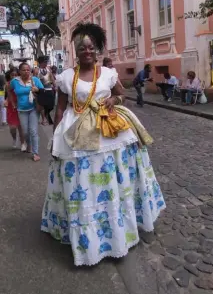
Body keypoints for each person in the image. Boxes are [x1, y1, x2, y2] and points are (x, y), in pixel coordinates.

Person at [41, 22, 165, 267]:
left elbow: (122, 95)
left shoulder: (108, 73)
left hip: (110, 129)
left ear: (97, 50)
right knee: (82, 180)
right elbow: (60, 109)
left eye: (91, 47)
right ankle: (89, 232)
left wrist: (113, 99)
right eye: (82, 48)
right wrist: (55, 138)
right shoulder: (66, 76)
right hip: (76, 133)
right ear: (76, 51)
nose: (87, 51)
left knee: (113, 175)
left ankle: (120, 225)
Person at [10, 62, 44, 161]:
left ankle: (35, 153)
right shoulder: (15, 81)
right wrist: (11, 101)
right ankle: (28, 144)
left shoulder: (35, 80)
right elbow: (8, 89)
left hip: (34, 108)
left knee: (33, 131)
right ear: (19, 71)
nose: (26, 72)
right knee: (25, 132)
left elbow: (43, 92)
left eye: (28, 70)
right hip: (21, 109)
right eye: (23, 70)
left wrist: (37, 90)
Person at [5, 68, 25, 150]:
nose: (14, 77)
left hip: (21, 105)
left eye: (15, 75)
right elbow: (8, 95)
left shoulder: (21, 83)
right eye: (12, 75)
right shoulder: (8, 84)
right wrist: (6, 101)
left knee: (21, 126)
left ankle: (23, 143)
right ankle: (14, 138)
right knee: (12, 127)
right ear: (9, 76)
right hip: (11, 107)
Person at [38, 56, 56, 125]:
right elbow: (35, 80)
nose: (46, 63)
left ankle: (46, 114)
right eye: (44, 62)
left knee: (51, 105)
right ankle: (47, 119)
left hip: (49, 89)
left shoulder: (48, 69)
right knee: (44, 105)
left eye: (46, 62)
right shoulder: (37, 70)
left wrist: (55, 86)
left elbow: (52, 78)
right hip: (42, 90)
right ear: (41, 63)